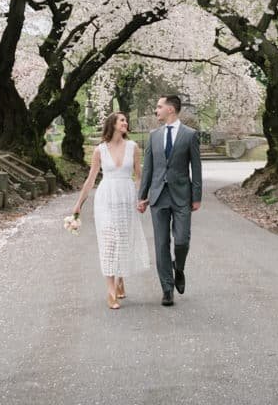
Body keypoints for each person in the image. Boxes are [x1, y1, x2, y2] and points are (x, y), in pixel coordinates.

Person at [70, 112, 151, 309]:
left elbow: (139, 176)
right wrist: (79, 204)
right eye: (121, 120)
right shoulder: (100, 150)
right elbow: (91, 179)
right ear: (112, 124)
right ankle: (111, 290)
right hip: (106, 198)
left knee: (123, 240)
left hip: (126, 197)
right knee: (109, 241)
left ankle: (121, 278)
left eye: (125, 120)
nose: (125, 123)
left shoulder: (133, 148)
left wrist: (142, 198)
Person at [136, 94, 202, 306]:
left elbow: (196, 169)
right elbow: (149, 168)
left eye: (159, 107)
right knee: (161, 243)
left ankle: (179, 268)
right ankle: (167, 289)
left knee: (182, 240)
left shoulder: (190, 135)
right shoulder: (154, 135)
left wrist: (197, 196)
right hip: (158, 197)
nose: (156, 110)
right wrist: (142, 196)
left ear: (170, 109)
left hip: (182, 196)